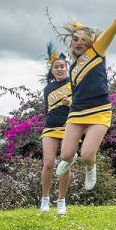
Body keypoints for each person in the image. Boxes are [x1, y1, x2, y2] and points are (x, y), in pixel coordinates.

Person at [54, 0, 116, 189]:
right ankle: (71, 159)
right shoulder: (73, 67)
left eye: (83, 40)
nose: (78, 43)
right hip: (77, 112)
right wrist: (71, 101)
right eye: (75, 40)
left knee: (86, 154)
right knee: (66, 155)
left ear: (90, 42)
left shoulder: (97, 51)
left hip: (100, 111)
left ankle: (90, 167)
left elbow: (114, 26)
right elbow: (79, 90)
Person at [40, 45, 72, 214]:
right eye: (56, 67)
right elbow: (47, 110)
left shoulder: (75, 83)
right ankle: (44, 198)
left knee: (65, 164)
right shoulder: (47, 89)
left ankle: (61, 200)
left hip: (70, 127)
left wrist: (71, 103)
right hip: (50, 127)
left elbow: (83, 106)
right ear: (52, 70)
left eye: (62, 66)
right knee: (49, 163)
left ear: (67, 68)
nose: (59, 69)